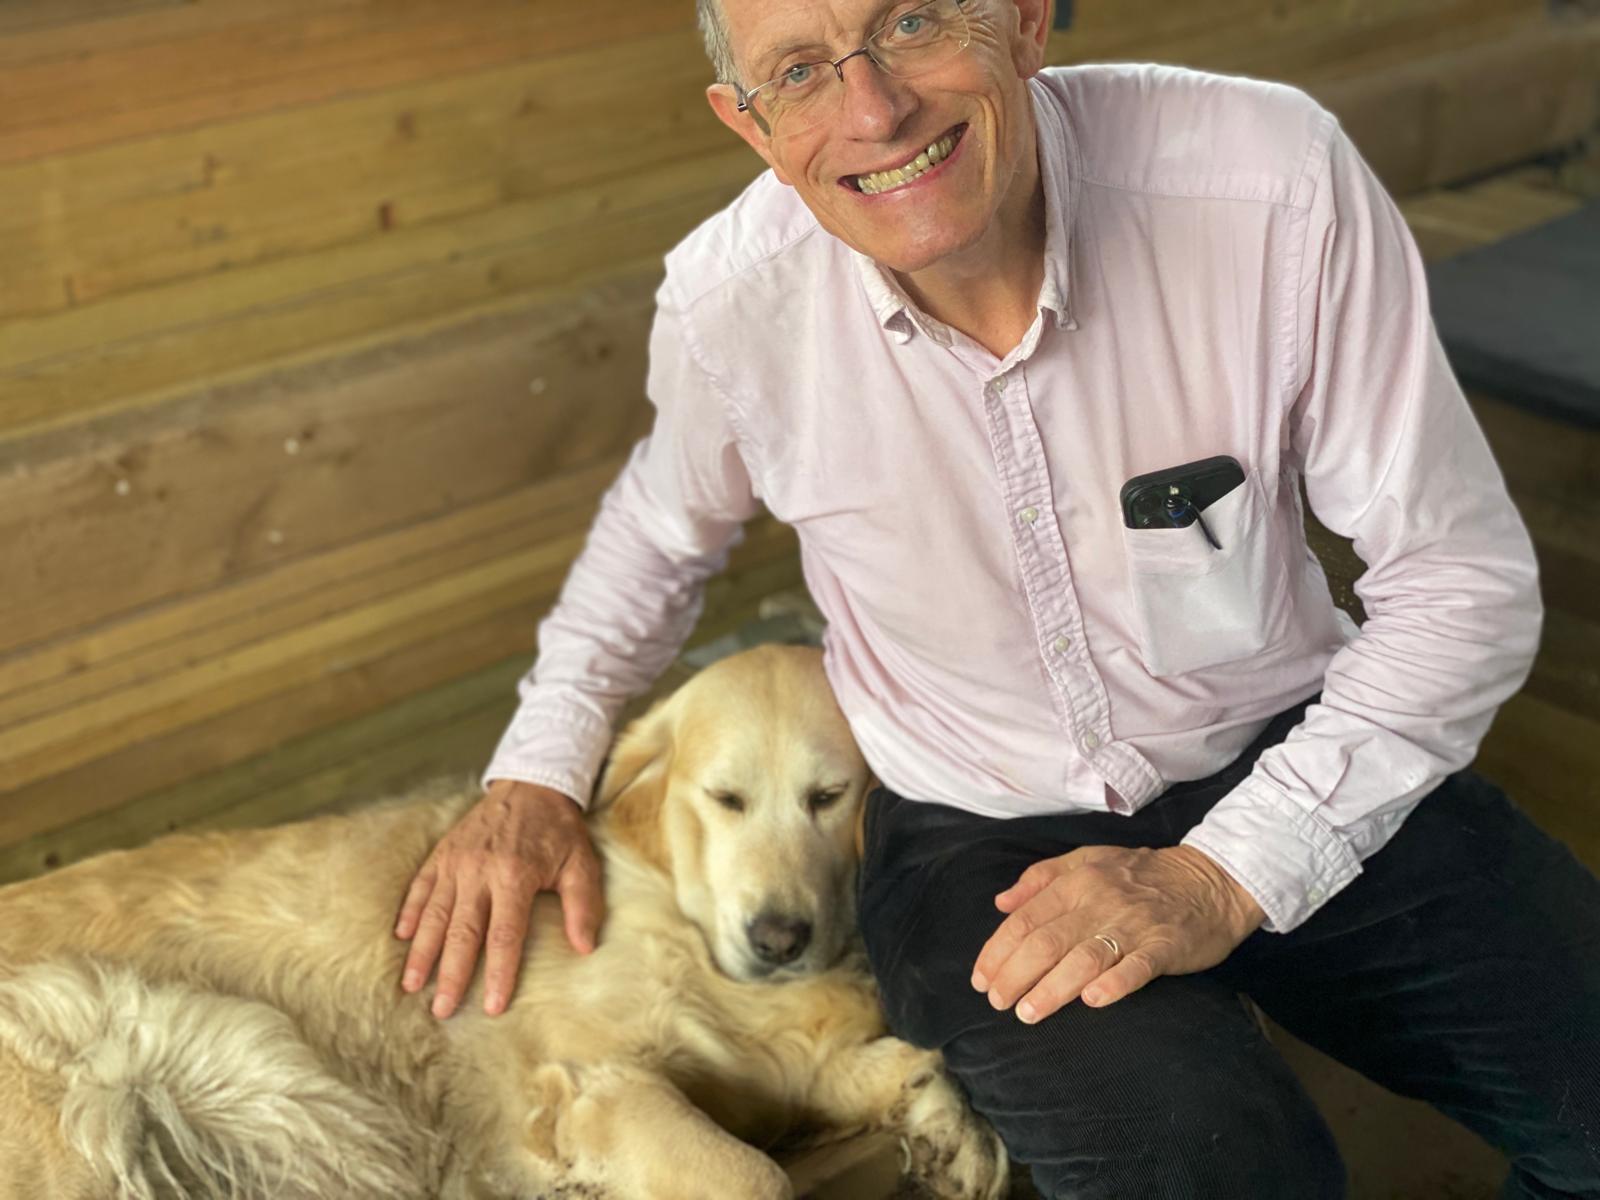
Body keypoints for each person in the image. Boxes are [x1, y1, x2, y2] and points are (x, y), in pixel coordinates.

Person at [393, 0, 1600, 1194]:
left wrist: (1224, 873)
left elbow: (1461, 581)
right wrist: (535, 777)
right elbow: (655, 537)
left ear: (1023, 19)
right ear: (750, 125)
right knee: (1223, 1175)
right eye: (802, 72)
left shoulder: (1267, 182)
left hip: (1286, 748)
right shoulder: (732, 305)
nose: (873, 109)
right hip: (974, 825)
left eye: (914, 22)